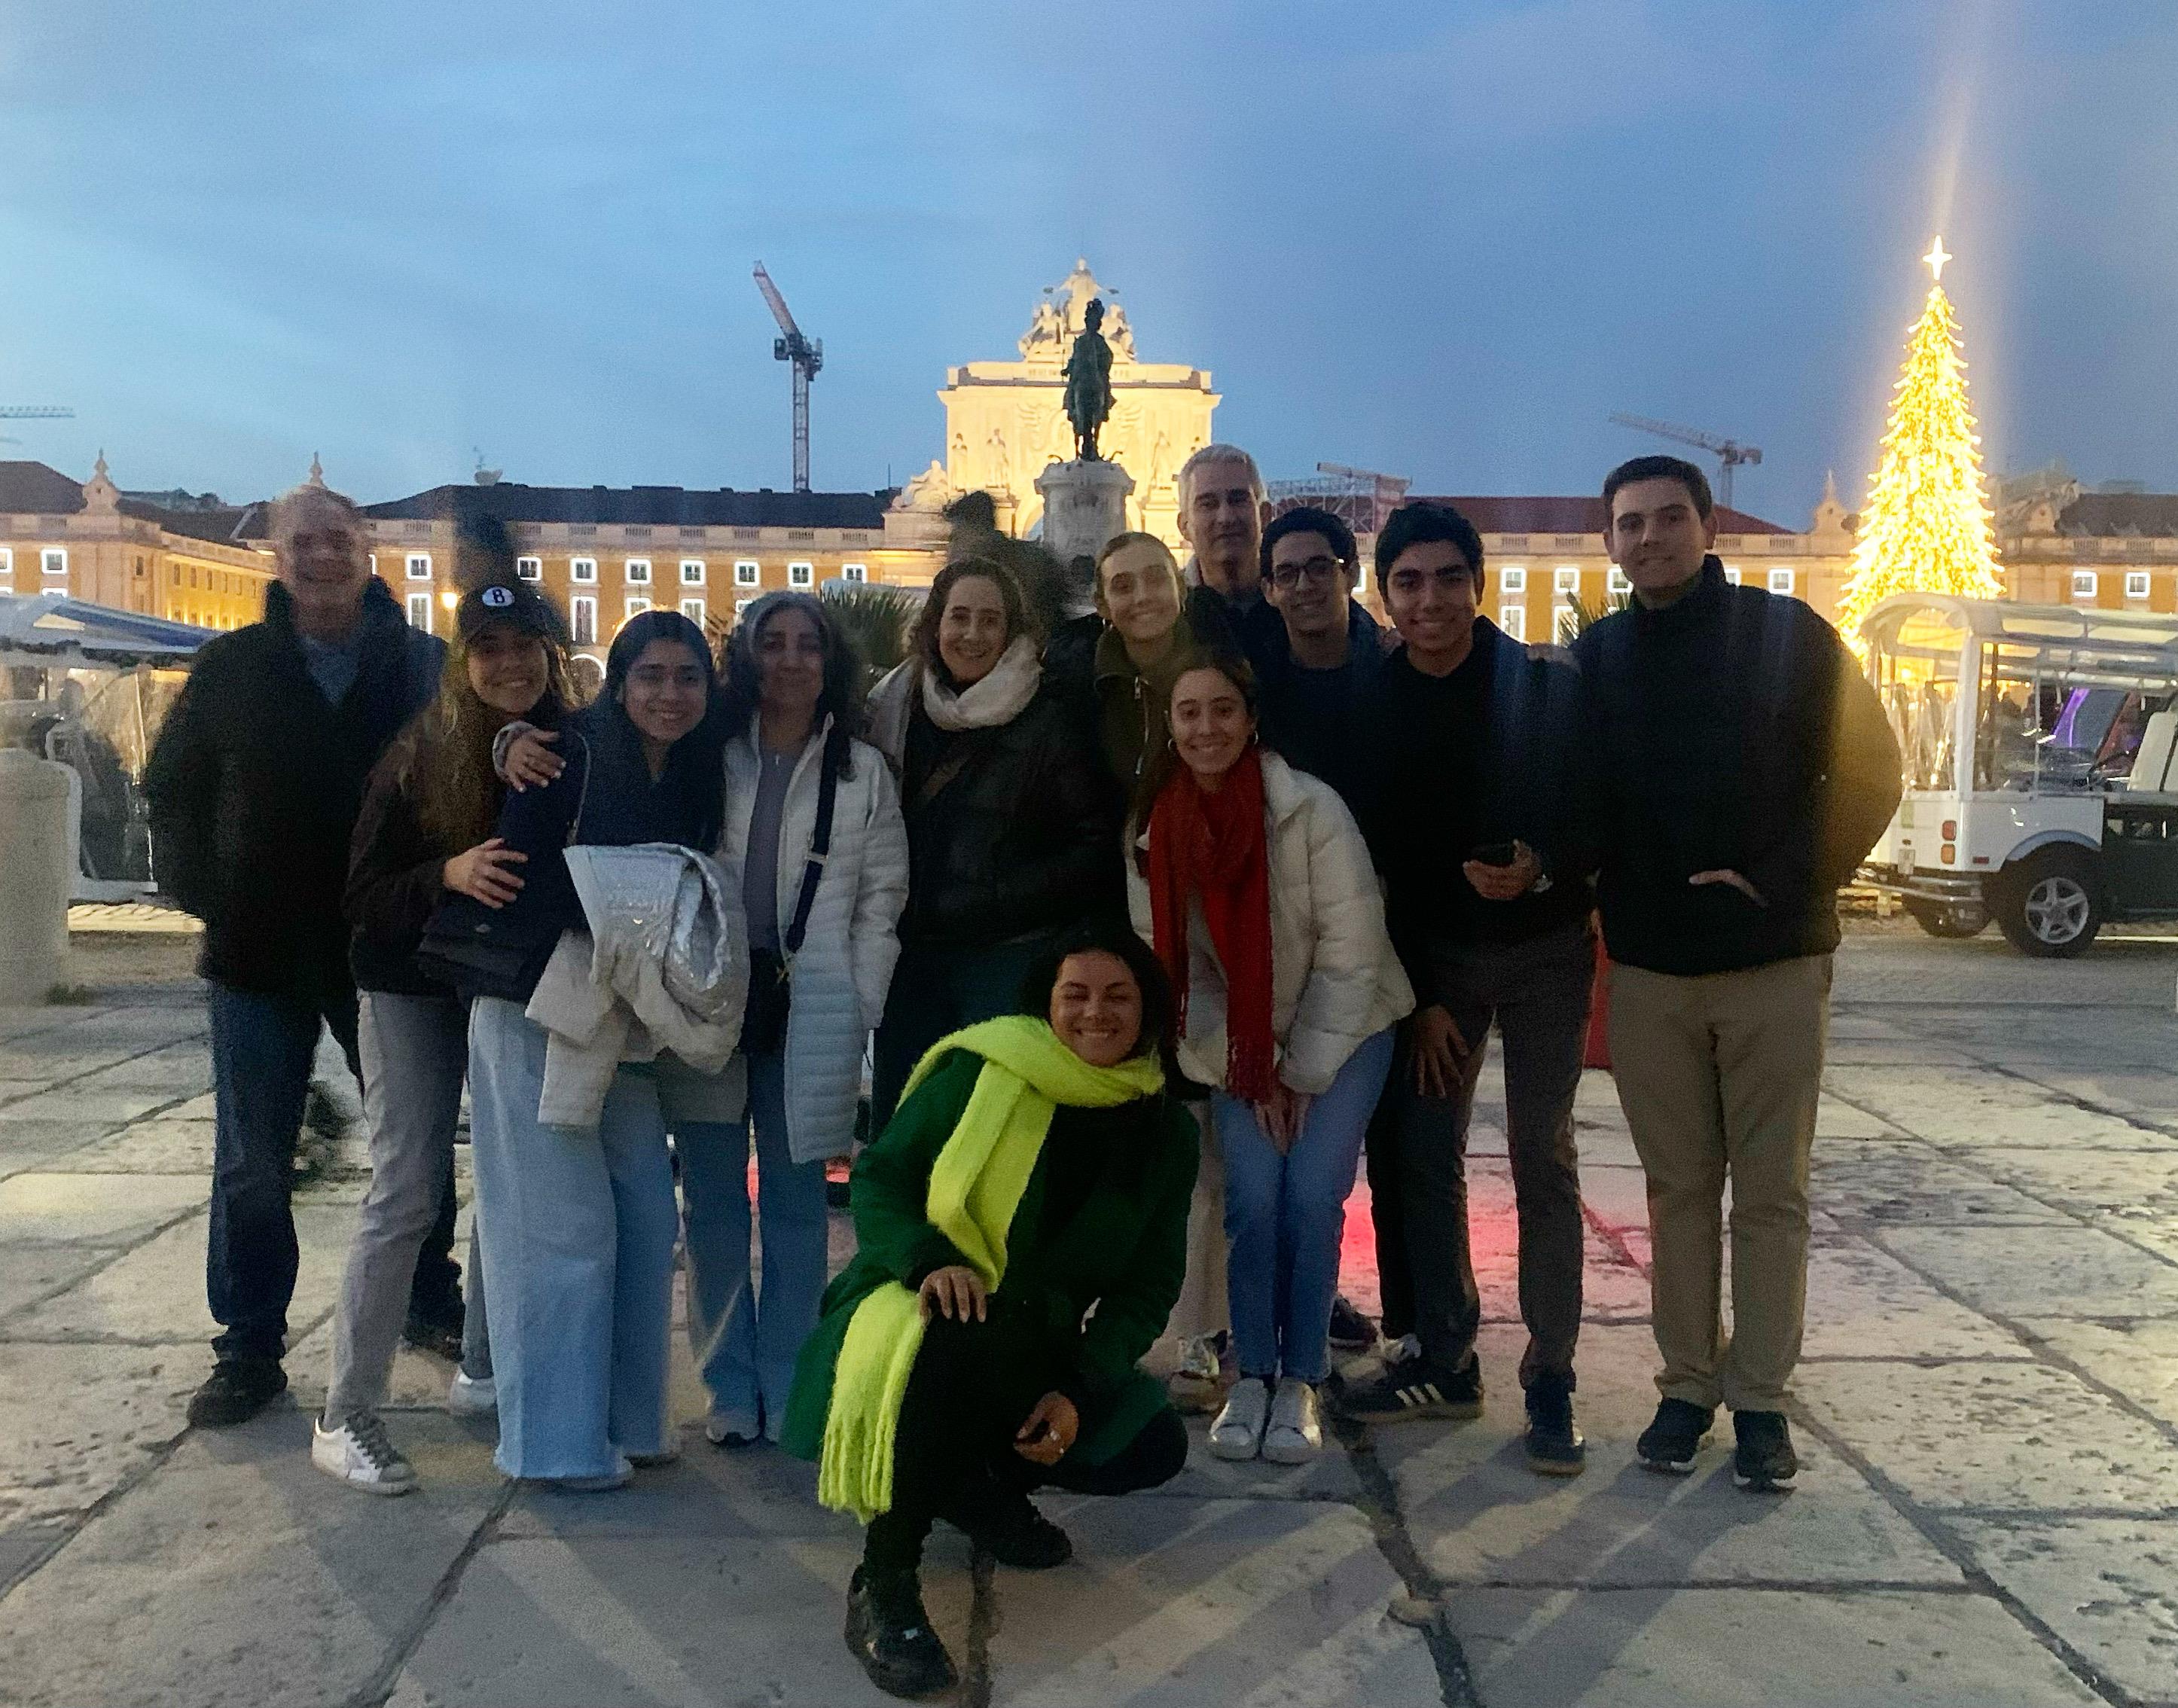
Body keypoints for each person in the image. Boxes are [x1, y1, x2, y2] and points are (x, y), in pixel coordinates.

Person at [1575, 455, 1900, 1490]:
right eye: (1631, 524)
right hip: (1651, 970)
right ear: (1613, 542)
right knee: (1676, 1191)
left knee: (1771, 1194)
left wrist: (1783, 879)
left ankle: (1760, 1400)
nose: (1651, 538)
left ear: (1707, 528)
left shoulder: (1784, 636)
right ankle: (1685, 1387)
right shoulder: (1602, 655)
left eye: (1670, 518)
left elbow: (1870, 767)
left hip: (1771, 960)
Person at [781, 926, 1198, 1700]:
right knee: (960, 1332)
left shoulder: (1164, 1130)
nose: (1095, 1014)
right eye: (1075, 995)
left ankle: (970, 1489)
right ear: (1047, 1004)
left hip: (1037, 1341)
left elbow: (1147, 1287)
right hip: (916, 1312)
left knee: (1149, 1445)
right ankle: (886, 1576)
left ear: (1150, 1013)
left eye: (1118, 997)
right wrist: (927, 1257)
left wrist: (1076, 1390)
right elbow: (881, 1179)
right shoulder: (983, 1074)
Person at [145, 478, 453, 1429]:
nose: (322, 556)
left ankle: (426, 1297)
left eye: (338, 539)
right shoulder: (232, 667)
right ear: (276, 555)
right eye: (303, 541)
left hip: (389, 946)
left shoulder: (422, 666)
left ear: (367, 548)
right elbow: (170, 793)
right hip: (258, 946)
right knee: (251, 1158)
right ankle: (248, 1345)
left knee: (415, 1147)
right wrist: (209, 892)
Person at [1332, 504, 1596, 1479]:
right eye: (1408, 582)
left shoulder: (1538, 687)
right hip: (1436, 959)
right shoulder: (1377, 702)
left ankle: (1552, 1373)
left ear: (1477, 585)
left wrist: (1543, 868)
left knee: (1542, 1154)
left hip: (1544, 952)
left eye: (1448, 578)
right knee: (1426, 1155)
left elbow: (1592, 815)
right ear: (1387, 594)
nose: (1429, 599)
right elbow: (1375, 859)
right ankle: (1446, 1356)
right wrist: (1420, 996)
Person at [458, 609, 731, 1487]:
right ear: (617, 682)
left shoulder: (692, 769)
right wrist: (630, 920)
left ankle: (630, 1417)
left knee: (647, 1217)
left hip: (619, 1017)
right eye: (649, 675)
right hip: (536, 1006)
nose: (669, 693)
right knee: (556, 1229)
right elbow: (521, 881)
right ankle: (552, 1444)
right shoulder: (562, 756)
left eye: (688, 676)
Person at [313, 572, 572, 1493]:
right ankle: (346, 1413)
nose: (509, 663)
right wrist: (449, 872)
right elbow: (362, 898)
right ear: (464, 661)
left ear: (549, 652)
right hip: (410, 987)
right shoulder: (419, 750)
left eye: (524, 646)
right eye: (489, 650)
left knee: (509, 1179)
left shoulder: (564, 740)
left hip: (501, 991)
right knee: (407, 1190)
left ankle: (481, 1365)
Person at [1130, 651, 1411, 1464]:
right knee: (1253, 1199)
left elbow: (1352, 954)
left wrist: (1298, 1072)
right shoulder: (1159, 836)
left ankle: (1302, 1377)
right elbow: (1178, 977)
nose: (1206, 727)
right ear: (1172, 728)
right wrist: (1248, 1066)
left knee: (1313, 1196)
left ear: (1251, 720)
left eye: (1223, 709)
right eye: (1189, 713)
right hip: (1238, 1048)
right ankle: (1252, 1373)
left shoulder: (1311, 811)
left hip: (1348, 1029)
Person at [672, 591, 907, 1448]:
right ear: (748, 657)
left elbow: (883, 895)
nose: (791, 659)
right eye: (772, 643)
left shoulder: (860, 771)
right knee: (714, 1203)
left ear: (829, 660)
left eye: (808, 645)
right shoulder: (711, 754)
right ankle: (729, 1382)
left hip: (814, 1007)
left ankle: (791, 1376)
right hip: (713, 1001)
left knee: (801, 1204)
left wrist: (860, 991)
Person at [865, 557, 1124, 1129]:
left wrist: (997, 899)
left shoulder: (1048, 718)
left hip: (1006, 963)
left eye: (990, 620)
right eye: (960, 617)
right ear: (935, 624)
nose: (973, 634)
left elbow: (1094, 847)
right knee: (908, 1133)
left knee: (995, 1134)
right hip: (912, 963)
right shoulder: (895, 709)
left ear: (1013, 631)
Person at [1255, 505, 1393, 1359]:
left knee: (1390, 1161)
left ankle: (1421, 1336)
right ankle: (1283, 1306)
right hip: (1285, 941)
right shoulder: (1257, 687)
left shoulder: (1397, 675)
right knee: (1287, 1167)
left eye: (1321, 567)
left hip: (1392, 943)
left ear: (1350, 573)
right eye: (1288, 573)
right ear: (1268, 589)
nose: (1305, 584)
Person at [1174, 443, 1283, 667]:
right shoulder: (1166, 614)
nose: (1225, 517)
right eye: (1208, 504)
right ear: (1184, 526)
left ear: (1264, 515)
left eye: (1238, 500)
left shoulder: (1299, 603)